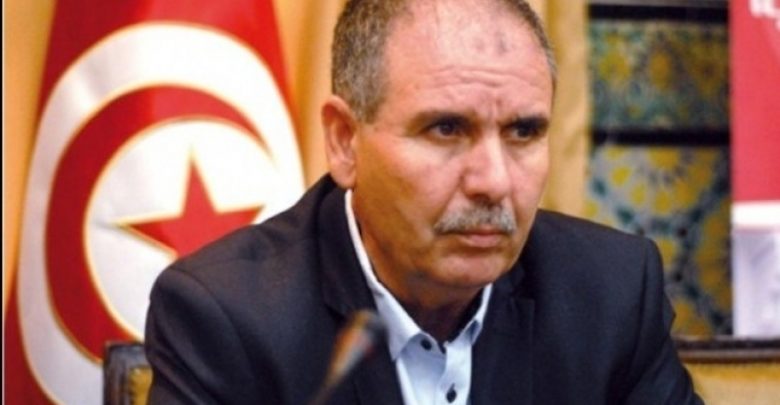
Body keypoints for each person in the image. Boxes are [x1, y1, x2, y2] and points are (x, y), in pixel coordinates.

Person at [144, 0, 703, 404]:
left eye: (524, 132)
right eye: (446, 129)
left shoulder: (611, 294)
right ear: (344, 141)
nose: (494, 181)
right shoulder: (228, 316)